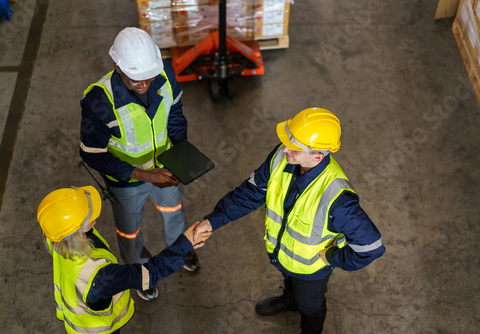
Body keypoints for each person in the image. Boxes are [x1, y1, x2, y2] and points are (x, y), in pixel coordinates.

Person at [193, 108, 385, 334]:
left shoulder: (338, 199)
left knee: (311, 308)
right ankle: (290, 299)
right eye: (288, 141)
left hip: (310, 270)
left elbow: (371, 247)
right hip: (281, 253)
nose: (285, 148)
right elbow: (252, 192)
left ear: (318, 156)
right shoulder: (282, 157)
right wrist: (212, 221)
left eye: (294, 147)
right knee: (289, 281)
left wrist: (332, 257)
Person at [79, 27, 199, 301]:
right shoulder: (99, 102)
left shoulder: (164, 73)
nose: (144, 85)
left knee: (174, 212)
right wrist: (143, 175)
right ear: (116, 66)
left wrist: (181, 153)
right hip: (126, 183)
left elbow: (175, 113)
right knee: (129, 230)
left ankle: (179, 250)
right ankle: (139, 270)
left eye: (148, 77)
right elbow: (92, 154)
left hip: (167, 169)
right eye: (136, 80)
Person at [37, 185, 211, 334]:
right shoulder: (100, 276)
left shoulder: (58, 238)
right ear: (76, 230)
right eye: (89, 215)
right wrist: (184, 244)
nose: (95, 218)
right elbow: (149, 274)